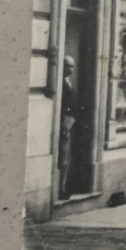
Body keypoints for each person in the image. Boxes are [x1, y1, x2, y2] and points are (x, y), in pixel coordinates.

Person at [57, 56, 77, 200]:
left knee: (66, 157)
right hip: (64, 124)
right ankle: (61, 189)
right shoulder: (61, 83)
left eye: (72, 66)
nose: (70, 69)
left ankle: (63, 186)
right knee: (63, 158)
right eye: (67, 66)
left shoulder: (68, 82)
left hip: (69, 124)